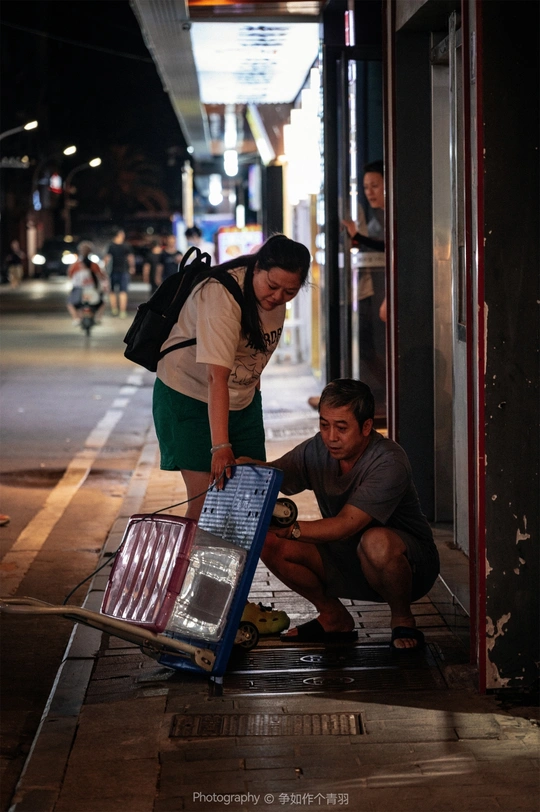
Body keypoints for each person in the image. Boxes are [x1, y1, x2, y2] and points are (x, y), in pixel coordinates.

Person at [240, 379, 439, 650]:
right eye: (324, 425)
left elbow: (346, 525)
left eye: (341, 428)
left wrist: (291, 529)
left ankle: (402, 618)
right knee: (269, 540)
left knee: (375, 541)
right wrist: (246, 468)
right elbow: (278, 476)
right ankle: (333, 617)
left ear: (366, 427)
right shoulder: (318, 448)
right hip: (346, 556)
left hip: (409, 568)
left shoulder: (388, 461)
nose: (331, 437)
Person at [152, 233, 311, 521]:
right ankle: (193, 553)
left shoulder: (274, 296)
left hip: (241, 400)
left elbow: (255, 356)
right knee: (207, 505)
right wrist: (221, 447)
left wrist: (253, 401)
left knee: (250, 500)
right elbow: (216, 378)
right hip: (190, 396)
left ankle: (238, 555)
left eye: (290, 292)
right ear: (257, 267)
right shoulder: (220, 294)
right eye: (272, 286)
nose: (278, 297)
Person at [66, 242, 108, 325]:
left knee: (70, 303)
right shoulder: (94, 265)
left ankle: (76, 319)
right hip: (93, 290)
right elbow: (102, 276)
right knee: (102, 303)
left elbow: (70, 275)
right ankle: (97, 318)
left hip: (79, 290)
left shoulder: (76, 265)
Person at [103, 228, 135, 318]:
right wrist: (132, 267)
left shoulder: (111, 246)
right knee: (122, 291)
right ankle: (122, 311)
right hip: (122, 271)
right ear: (119, 235)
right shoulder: (126, 246)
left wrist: (104, 268)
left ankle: (115, 310)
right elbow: (130, 257)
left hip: (114, 271)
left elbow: (106, 258)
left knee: (113, 291)